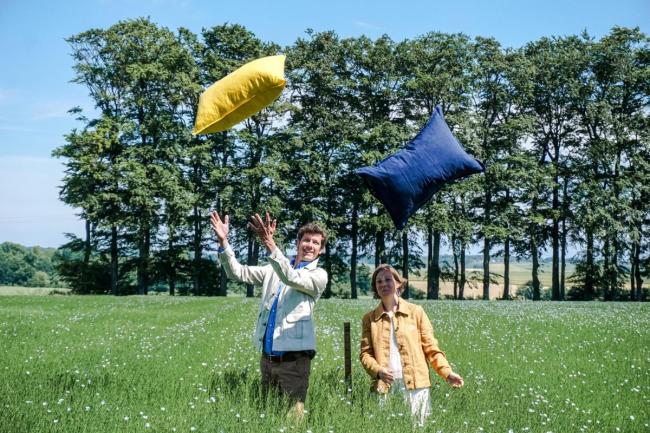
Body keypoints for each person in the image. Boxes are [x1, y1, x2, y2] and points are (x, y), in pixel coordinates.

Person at [210, 211, 328, 420]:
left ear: (321, 250)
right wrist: (223, 241)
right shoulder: (272, 269)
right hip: (267, 359)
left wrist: (269, 244)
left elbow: (291, 277)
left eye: (316, 243)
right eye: (306, 240)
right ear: (298, 242)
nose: (310, 245)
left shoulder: (318, 276)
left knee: (292, 419)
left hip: (294, 361)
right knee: (268, 416)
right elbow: (237, 272)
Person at [359, 264, 464, 426]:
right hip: (384, 385)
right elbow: (365, 354)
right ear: (375, 287)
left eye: (388, 279)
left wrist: (447, 372)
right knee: (385, 428)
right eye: (378, 281)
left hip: (416, 384)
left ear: (399, 283)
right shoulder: (369, 318)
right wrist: (378, 371)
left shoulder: (416, 312)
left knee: (417, 427)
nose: (383, 284)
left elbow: (431, 348)